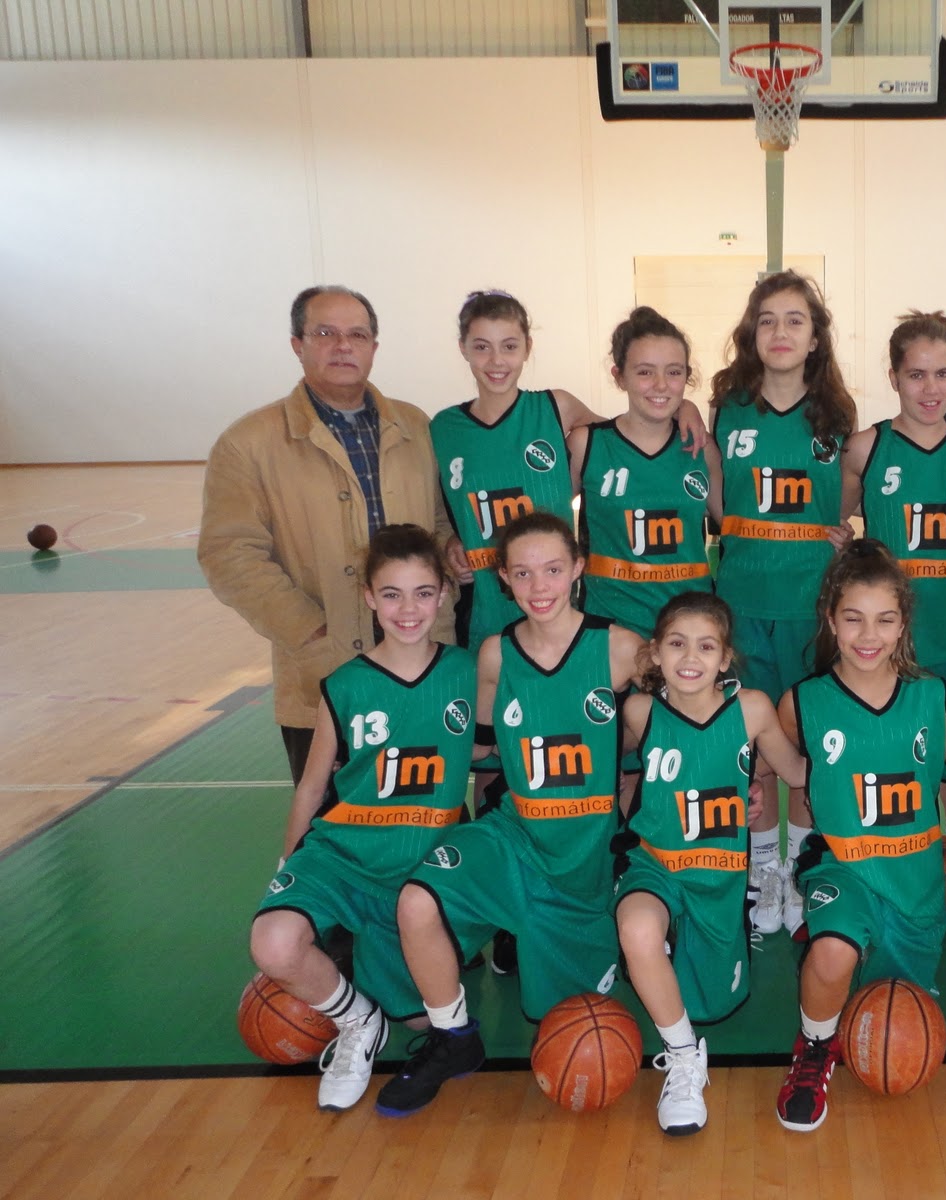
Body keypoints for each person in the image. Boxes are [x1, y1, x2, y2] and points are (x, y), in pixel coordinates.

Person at [373, 512, 642, 1117]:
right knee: (417, 901)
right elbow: (482, 748)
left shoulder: (621, 648)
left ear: (579, 568)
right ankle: (453, 1038)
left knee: (570, 1022)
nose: (538, 586)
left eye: (552, 569)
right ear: (503, 579)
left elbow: (674, 731)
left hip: (585, 863)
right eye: (522, 573)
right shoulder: (495, 654)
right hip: (514, 836)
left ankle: (542, 944)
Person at [249, 524, 475, 1112]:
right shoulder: (345, 684)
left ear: (444, 594)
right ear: (370, 597)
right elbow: (312, 785)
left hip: (418, 868)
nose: (409, 609)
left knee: (422, 1019)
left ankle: (386, 996)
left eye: (423, 592)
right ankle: (356, 1020)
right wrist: (286, 863)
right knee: (275, 943)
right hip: (345, 853)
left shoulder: (467, 672)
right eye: (392, 594)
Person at [200, 286, 454, 785]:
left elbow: (441, 523)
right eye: (325, 333)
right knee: (332, 816)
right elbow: (228, 554)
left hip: (424, 657)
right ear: (297, 344)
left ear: (374, 347)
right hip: (324, 670)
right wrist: (311, 632)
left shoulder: (417, 426)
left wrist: (451, 560)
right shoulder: (248, 443)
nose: (342, 346)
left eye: (357, 335)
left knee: (432, 810)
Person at [773, 540, 946, 1132]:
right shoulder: (804, 701)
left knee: (897, 1006)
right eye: (854, 618)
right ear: (830, 620)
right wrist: (759, 792)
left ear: (903, 623)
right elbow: (791, 767)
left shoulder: (929, 695)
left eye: (885, 620)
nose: (869, 635)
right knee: (832, 951)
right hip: (841, 865)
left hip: (915, 878)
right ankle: (815, 1046)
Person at [613, 591, 808, 1136]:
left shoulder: (752, 709)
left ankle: (675, 950)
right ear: (655, 653)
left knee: (715, 1002)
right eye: (677, 644)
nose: (690, 657)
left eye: (706, 646)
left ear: (725, 659)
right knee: (637, 929)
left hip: (719, 876)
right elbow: (619, 768)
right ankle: (682, 1057)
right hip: (655, 863)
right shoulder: (639, 711)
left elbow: (795, 773)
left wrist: (754, 786)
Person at [433, 290, 710, 653]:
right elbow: (439, 510)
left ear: (527, 347)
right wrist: (449, 541)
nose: (497, 360)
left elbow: (628, 440)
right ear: (463, 348)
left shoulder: (556, 407)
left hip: (562, 608)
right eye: (482, 347)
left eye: (509, 346)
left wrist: (684, 406)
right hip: (487, 607)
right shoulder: (443, 428)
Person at [710, 271, 856, 936]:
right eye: (767, 319)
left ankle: (798, 866)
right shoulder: (726, 410)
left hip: (810, 606)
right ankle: (762, 865)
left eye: (795, 319)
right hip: (742, 604)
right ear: (751, 332)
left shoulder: (837, 419)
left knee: (803, 742)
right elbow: (717, 501)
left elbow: (846, 502)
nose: (780, 332)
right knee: (752, 741)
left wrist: (837, 532)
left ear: (815, 336)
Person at [839, 310, 946, 826]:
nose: (931, 389)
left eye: (942, 373)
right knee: (891, 767)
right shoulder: (866, 448)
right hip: (891, 642)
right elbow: (831, 521)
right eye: (916, 375)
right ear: (894, 378)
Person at [571, 307, 722, 638]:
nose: (661, 385)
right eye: (644, 372)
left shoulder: (702, 447)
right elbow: (544, 519)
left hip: (688, 632)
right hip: (610, 631)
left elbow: (736, 527)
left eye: (673, 372)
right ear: (619, 376)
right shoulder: (587, 444)